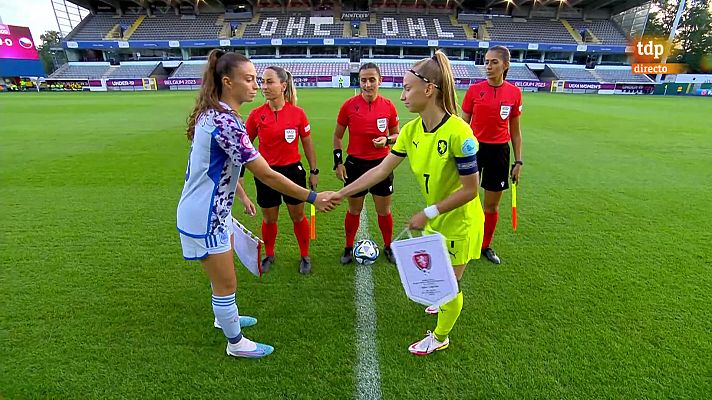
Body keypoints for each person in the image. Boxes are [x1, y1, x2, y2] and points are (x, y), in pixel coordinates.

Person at [177, 49, 334, 359]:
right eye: (249, 79)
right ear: (227, 82)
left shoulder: (216, 114)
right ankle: (236, 343)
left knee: (220, 277)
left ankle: (224, 320)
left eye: (258, 79)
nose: (255, 85)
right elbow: (265, 173)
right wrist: (314, 196)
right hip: (205, 216)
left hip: (207, 211)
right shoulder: (227, 122)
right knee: (226, 281)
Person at [327, 51, 484, 355]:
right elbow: (381, 170)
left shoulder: (459, 133)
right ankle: (440, 303)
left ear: (429, 89)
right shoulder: (411, 131)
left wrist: (427, 212)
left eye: (407, 88)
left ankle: (440, 337)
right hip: (437, 217)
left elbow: (470, 190)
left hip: (459, 221)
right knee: (438, 276)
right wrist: (342, 193)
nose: (401, 97)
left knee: (449, 283)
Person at [244, 66, 319, 275]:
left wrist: (314, 171)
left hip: (293, 173)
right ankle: (269, 253)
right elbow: (244, 146)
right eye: (263, 81)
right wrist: (240, 175)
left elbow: (308, 144)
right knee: (269, 219)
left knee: (298, 217)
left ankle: (304, 255)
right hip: (265, 174)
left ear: (283, 86)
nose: (264, 86)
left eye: (269, 82)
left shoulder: (297, 114)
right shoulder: (256, 114)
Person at [461, 45, 523, 265]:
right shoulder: (474, 90)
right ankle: (465, 240)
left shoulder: (514, 93)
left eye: (493, 62)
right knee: (467, 199)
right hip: (473, 151)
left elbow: (515, 130)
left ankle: (484, 245)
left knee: (491, 206)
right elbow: (462, 125)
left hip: (499, 152)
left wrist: (518, 161)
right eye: (486, 62)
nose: (488, 66)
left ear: (505, 65)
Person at [332, 63, 400, 264]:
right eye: (363, 80)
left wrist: (386, 140)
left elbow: (397, 135)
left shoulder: (388, 106)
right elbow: (337, 136)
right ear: (359, 81)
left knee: (383, 211)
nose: (368, 84)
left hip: (382, 165)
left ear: (380, 81)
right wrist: (338, 162)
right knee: (354, 210)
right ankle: (348, 246)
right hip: (355, 166)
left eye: (372, 79)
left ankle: (388, 246)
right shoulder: (348, 106)